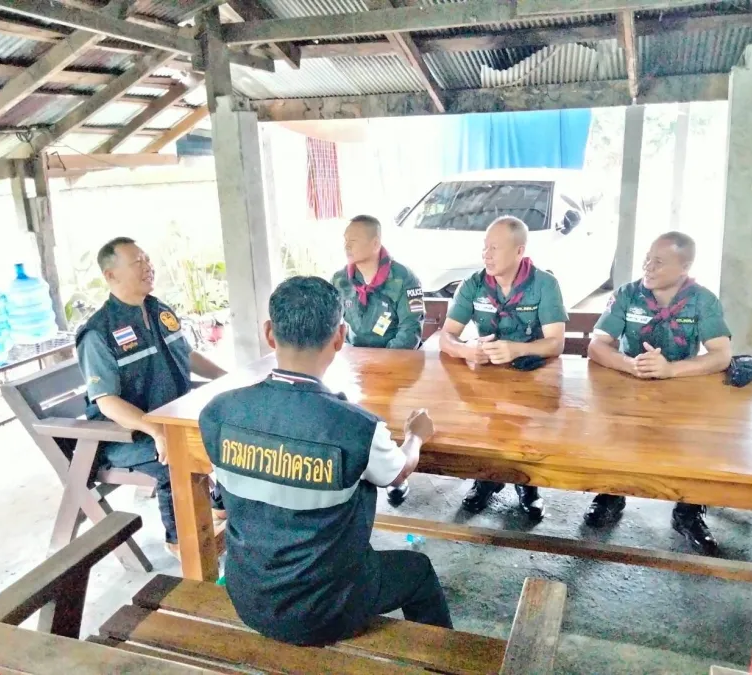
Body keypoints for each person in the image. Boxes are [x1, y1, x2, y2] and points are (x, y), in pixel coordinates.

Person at [198, 276, 452, 646]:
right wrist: (416, 435)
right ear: (340, 336)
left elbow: (223, 499)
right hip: (328, 611)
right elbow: (399, 473)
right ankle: (442, 657)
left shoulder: (219, 412)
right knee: (419, 571)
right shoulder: (357, 427)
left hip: (248, 596)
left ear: (269, 334)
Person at [76, 237, 228, 560]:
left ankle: (220, 505)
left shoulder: (158, 310)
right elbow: (106, 401)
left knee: (227, 428)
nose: (148, 267)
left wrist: (225, 378)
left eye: (147, 259)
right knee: (177, 453)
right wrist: (156, 431)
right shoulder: (98, 333)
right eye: (137, 262)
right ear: (111, 275)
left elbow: (187, 354)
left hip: (173, 418)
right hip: (124, 436)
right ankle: (182, 541)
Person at [584, 231, 732, 556]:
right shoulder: (627, 294)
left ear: (684, 268)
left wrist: (670, 370)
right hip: (630, 386)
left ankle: (688, 512)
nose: (648, 267)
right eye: (647, 259)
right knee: (616, 436)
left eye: (659, 262)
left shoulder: (702, 300)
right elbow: (597, 346)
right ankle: (611, 494)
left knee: (697, 443)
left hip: (682, 389)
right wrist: (630, 364)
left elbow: (721, 355)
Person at [439, 216, 569, 520]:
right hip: (487, 374)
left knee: (525, 430)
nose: (486, 255)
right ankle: (487, 479)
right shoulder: (473, 284)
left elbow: (556, 343)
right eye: (485, 247)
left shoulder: (544, 284)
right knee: (487, 427)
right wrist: (467, 350)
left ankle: (527, 485)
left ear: (519, 250)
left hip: (531, 374)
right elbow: (446, 337)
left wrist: (518, 349)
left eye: (494, 248)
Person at [331, 214, 425, 505]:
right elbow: (335, 325)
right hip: (354, 367)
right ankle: (360, 470)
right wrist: (350, 360)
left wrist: (381, 365)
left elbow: (411, 330)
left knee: (393, 417)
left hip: (396, 366)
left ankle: (396, 474)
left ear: (375, 244)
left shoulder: (404, 279)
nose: (347, 245)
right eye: (345, 240)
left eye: (354, 240)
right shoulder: (340, 280)